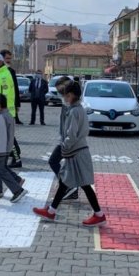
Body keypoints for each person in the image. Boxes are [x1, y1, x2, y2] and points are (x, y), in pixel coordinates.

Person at [32, 81, 107, 227]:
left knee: (83, 184)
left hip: (76, 152)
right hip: (77, 151)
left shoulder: (74, 111)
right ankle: (52, 211)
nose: (64, 98)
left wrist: (64, 147)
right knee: (65, 182)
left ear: (71, 95)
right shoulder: (79, 109)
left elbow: (71, 135)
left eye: (66, 95)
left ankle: (99, 215)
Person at [46, 76, 79, 200]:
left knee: (53, 161)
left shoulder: (73, 106)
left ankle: (68, 186)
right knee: (68, 166)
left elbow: (73, 127)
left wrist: (66, 141)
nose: (60, 94)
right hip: (65, 139)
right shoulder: (67, 103)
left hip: (69, 141)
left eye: (61, 91)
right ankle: (71, 189)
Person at [0, 95, 26, 197]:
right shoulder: (6, 114)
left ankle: (14, 184)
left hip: (2, 147)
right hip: (5, 146)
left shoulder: (2, 117)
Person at [0, 53, 21, 167]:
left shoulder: (3, 76)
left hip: (4, 111)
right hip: (0, 110)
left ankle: (17, 159)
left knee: (9, 137)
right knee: (4, 136)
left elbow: (4, 96)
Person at [0, 50, 23, 125]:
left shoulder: (12, 71)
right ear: (2, 59)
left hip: (10, 101)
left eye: (10, 58)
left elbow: (15, 87)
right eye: (7, 58)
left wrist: (17, 104)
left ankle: (16, 119)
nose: (9, 60)